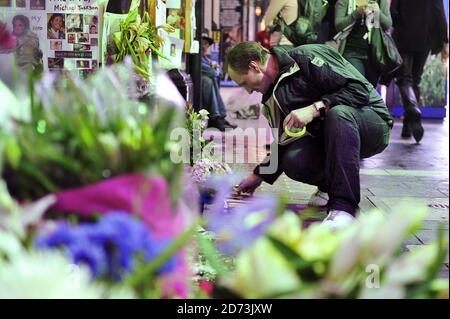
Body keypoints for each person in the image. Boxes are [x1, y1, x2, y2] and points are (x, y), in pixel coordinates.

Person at [227, 42, 393, 229]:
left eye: (245, 83)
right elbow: (285, 141)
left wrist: (315, 109)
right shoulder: (273, 96)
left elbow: (358, 90)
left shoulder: (306, 57)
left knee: (337, 115)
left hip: (371, 121)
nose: (248, 90)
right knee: (294, 160)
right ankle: (330, 187)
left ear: (254, 66)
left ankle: (344, 209)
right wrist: (258, 176)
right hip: (333, 134)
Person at [390, 0, 448, 142]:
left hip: (404, 34)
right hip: (425, 37)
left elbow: (393, 11)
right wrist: (444, 41)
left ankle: (411, 108)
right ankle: (408, 126)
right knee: (415, 80)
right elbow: (439, 12)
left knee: (404, 79)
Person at [334, 0, 392, 88]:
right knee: (358, 86)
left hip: (374, 54)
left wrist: (378, 13)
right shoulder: (345, 1)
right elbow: (338, 25)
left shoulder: (380, 1)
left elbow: (388, 24)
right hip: (352, 51)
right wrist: (356, 13)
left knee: (370, 91)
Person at [201, 32, 237, 131]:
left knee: (211, 80)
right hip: (202, 87)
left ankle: (220, 117)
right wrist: (215, 67)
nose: (206, 46)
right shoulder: (199, 59)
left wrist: (215, 67)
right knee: (209, 80)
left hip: (208, 85)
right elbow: (215, 73)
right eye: (204, 43)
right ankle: (216, 117)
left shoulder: (206, 58)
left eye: (207, 44)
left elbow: (219, 72)